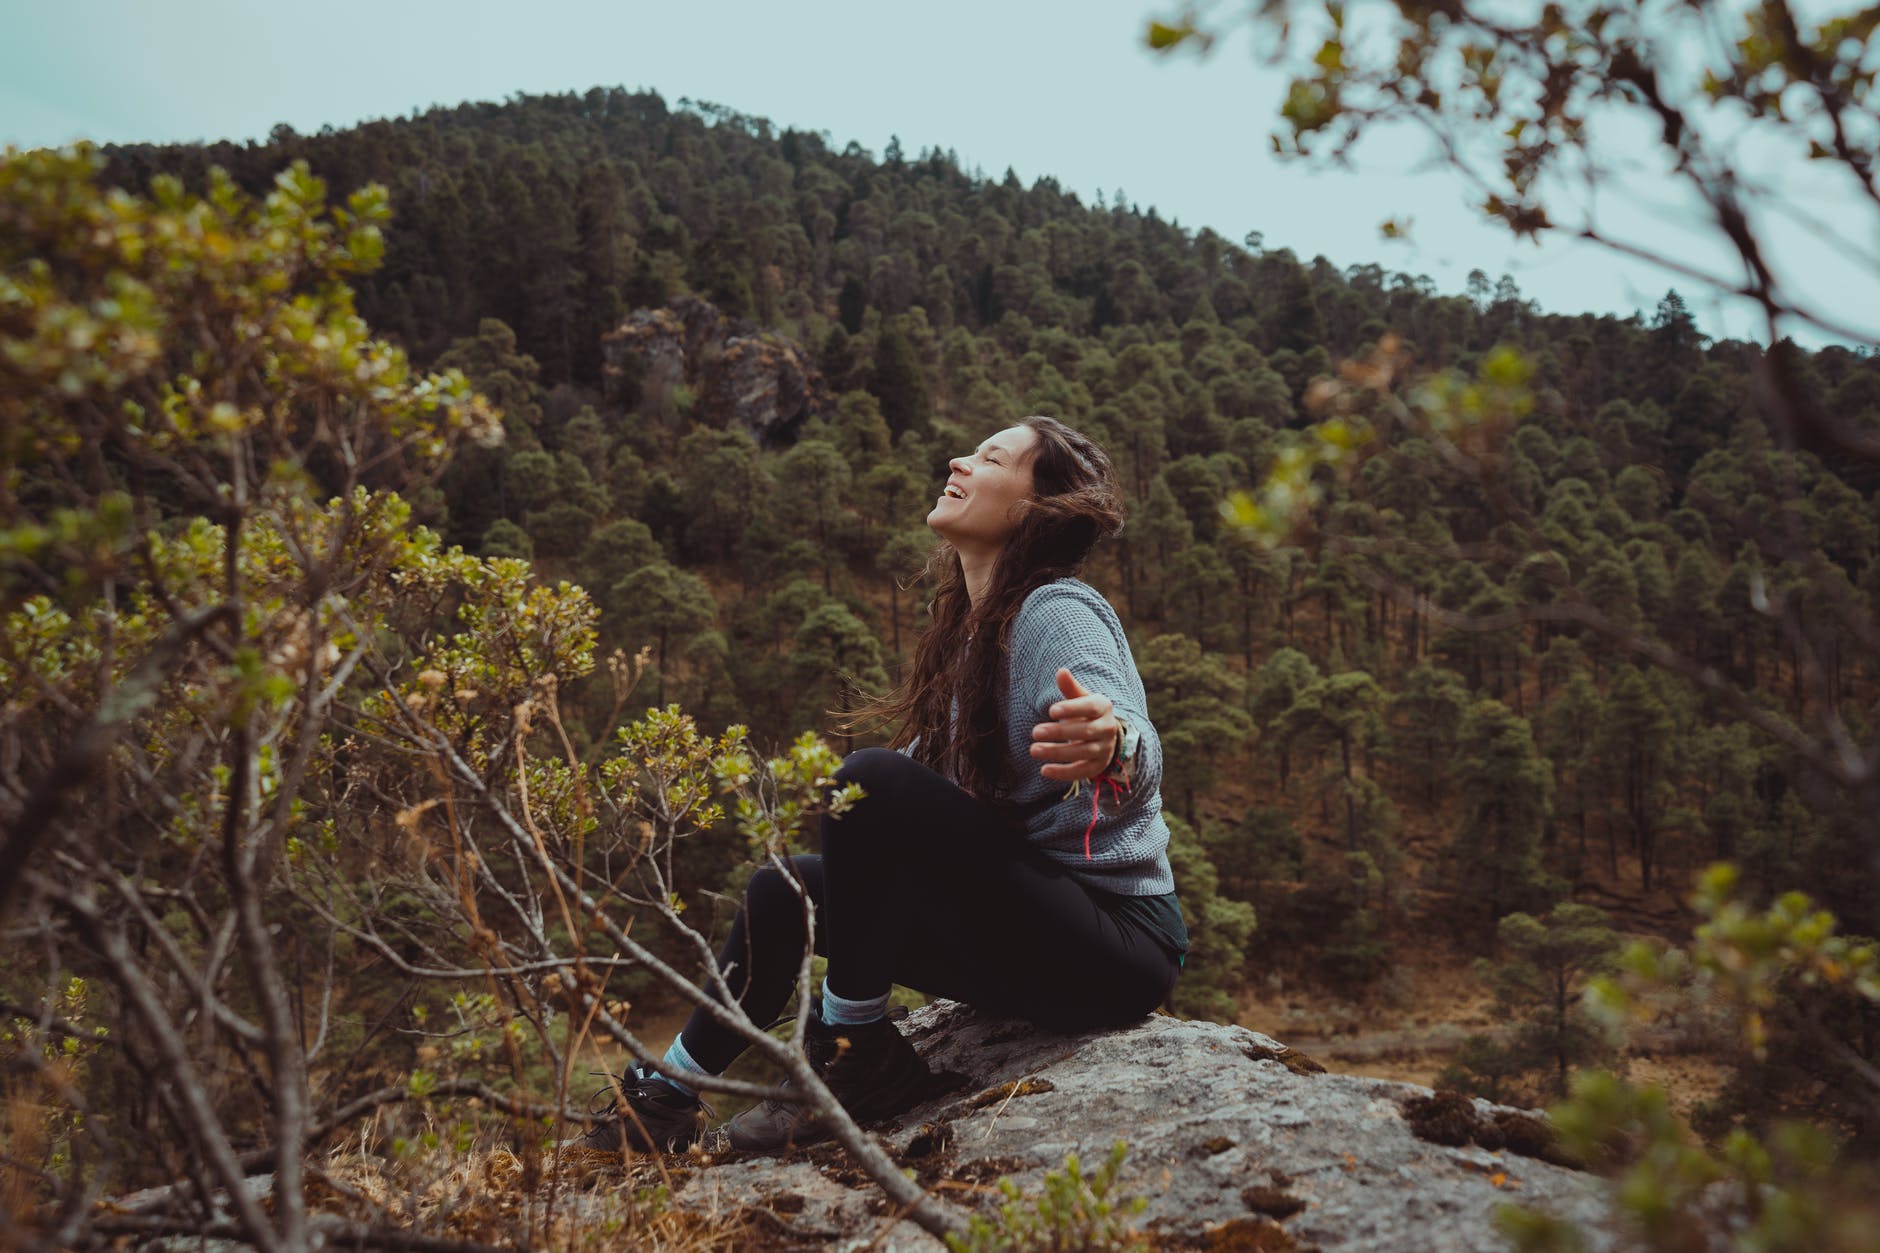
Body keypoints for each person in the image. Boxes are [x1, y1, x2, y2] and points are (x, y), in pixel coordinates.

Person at [577, 414, 1187, 1155]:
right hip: (1030, 937)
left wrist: (1112, 741)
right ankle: (664, 1096)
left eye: (990, 456)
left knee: (869, 779)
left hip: (1115, 945)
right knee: (784, 890)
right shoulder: (970, 634)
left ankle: (854, 1051)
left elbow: (1133, 733)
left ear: (1031, 508)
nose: (960, 461)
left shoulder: (1055, 610)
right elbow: (908, 822)